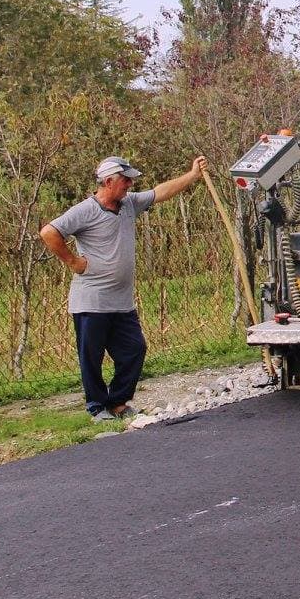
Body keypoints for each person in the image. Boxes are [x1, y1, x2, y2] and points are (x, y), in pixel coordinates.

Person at [39, 154, 207, 421]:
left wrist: (192, 175)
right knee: (91, 357)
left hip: (121, 301)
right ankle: (97, 406)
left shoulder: (128, 204)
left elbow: (159, 193)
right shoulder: (86, 210)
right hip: (91, 300)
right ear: (108, 181)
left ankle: (117, 402)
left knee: (134, 348)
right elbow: (49, 232)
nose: (130, 184)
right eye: (125, 180)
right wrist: (73, 262)